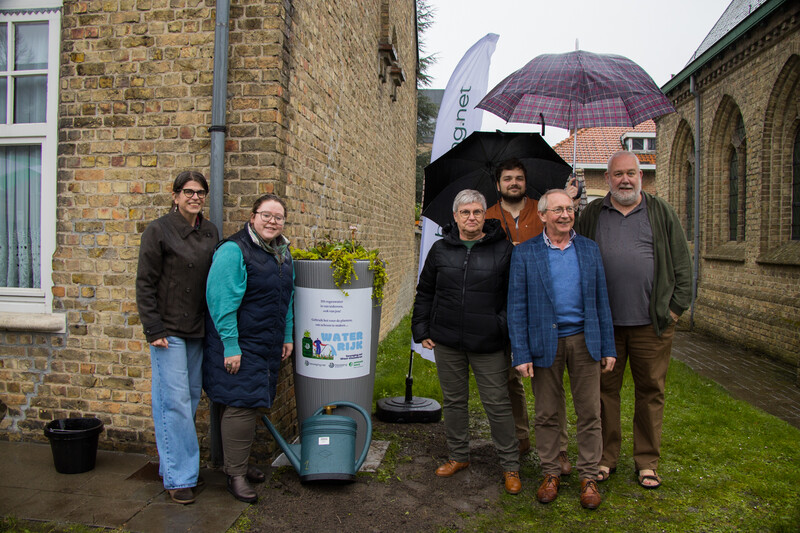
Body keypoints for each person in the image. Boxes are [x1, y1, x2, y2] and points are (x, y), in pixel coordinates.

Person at [575, 151, 692, 489]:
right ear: (608, 178)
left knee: (650, 391)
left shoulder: (660, 212)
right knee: (604, 392)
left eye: (631, 173)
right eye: (617, 174)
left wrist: (673, 311)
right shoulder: (593, 214)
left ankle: (647, 461)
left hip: (650, 324)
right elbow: (576, 254)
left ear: (640, 176)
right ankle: (605, 457)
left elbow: (683, 265)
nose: (624, 179)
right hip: (605, 326)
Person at [507, 189, 616, 509]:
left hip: (585, 340)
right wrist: (521, 353)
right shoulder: (525, 254)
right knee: (546, 412)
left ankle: (588, 477)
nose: (566, 215)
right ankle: (551, 472)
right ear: (542, 216)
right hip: (544, 342)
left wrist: (608, 345)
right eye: (558, 210)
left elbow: (601, 301)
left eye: (569, 209)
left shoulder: (589, 250)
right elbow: (517, 307)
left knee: (590, 412)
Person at [411, 189, 521, 495]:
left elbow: (513, 297)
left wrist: (500, 327)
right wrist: (421, 328)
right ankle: (458, 456)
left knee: (497, 404)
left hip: (488, 342)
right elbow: (426, 291)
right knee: (455, 401)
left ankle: (510, 465)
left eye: (476, 212)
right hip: (447, 340)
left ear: (485, 215)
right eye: (465, 212)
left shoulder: (503, 249)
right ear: (455, 216)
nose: (471, 218)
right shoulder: (440, 250)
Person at [484, 158, 575, 475]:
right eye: (507, 178)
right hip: (501, 305)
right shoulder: (487, 215)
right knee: (509, 378)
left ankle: (559, 448)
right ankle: (521, 437)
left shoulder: (542, 210)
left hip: (540, 307)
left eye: (519, 178)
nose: (513, 183)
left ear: (526, 182)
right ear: (498, 184)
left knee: (549, 381)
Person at [204, 193, 294, 504]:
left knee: (249, 402)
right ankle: (235, 476)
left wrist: (287, 335)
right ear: (253, 216)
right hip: (237, 343)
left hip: (264, 342)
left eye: (278, 217)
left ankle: (238, 465)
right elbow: (221, 302)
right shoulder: (234, 250)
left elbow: (287, 297)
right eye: (266, 215)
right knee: (240, 404)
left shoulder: (281, 252)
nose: (273, 221)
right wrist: (231, 345)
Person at [136, 171, 220, 505]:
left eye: (201, 193)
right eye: (188, 192)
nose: (195, 197)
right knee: (174, 405)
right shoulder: (158, 230)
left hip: (198, 330)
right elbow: (145, 283)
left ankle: (178, 467)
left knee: (188, 400)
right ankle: (179, 477)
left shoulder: (211, 231)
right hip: (168, 332)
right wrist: (153, 328)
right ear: (175, 196)